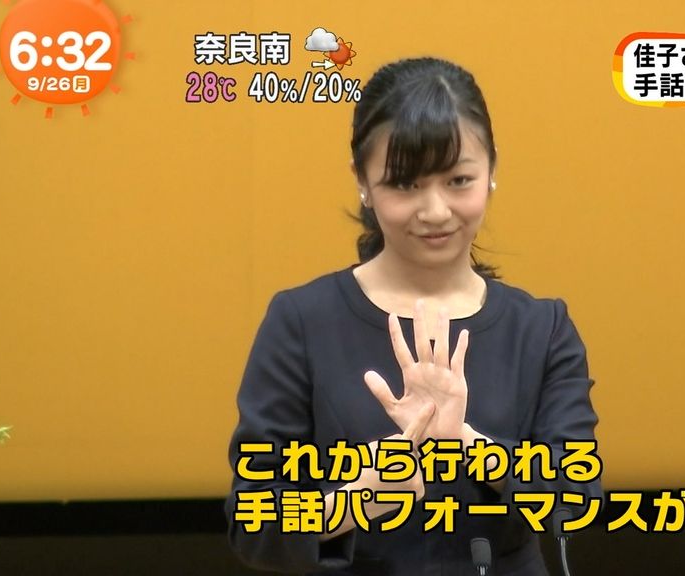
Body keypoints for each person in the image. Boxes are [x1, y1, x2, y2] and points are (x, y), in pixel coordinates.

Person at [225, 56, 601, 575]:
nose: (435, 211)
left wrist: (465, 444)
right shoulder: (301, 321)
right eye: (405, 185)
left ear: (492, 171)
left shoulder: (542, 328)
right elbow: (253, 524)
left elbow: (575, 499)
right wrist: (365, 494)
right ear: (362, 181)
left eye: (458, 180)